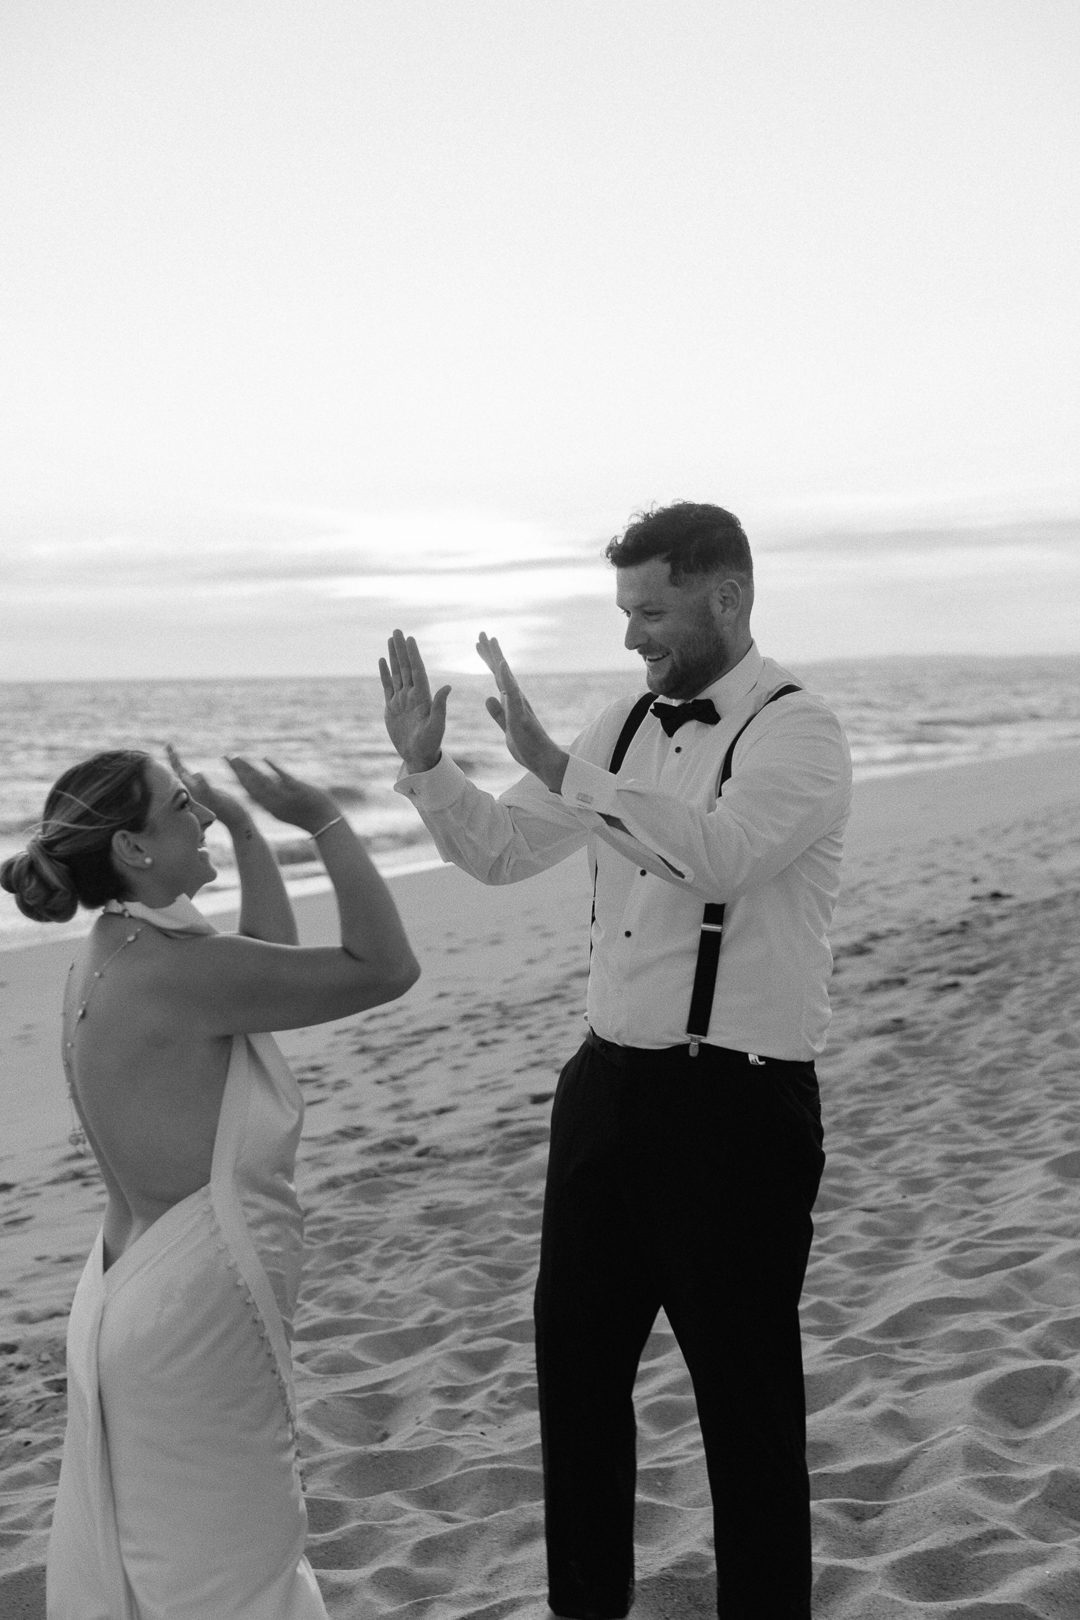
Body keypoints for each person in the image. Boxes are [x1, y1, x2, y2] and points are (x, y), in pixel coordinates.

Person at [380, 501, 851, 1620]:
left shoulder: (799, 730)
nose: (634, 636)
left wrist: (563, 767)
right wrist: (430, 769)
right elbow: (500, 851)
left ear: (726, 596)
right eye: (625, 611)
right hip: (605, 1095)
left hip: (737, 1108)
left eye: (652, 610)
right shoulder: (621, 726)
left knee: (746, 1407)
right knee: (578, 1386)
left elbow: (723, 861)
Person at [2, 742, 419, 1618]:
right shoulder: (181, 972)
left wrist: (238, 824)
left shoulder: (115, 947)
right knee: (238, 1572)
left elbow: (264, 952)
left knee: (183, 1568)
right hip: (192, 1314)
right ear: (132, 849)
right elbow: (385, 968)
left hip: (131, 1297)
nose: (202, 817)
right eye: (183, 804)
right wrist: (326, 823)